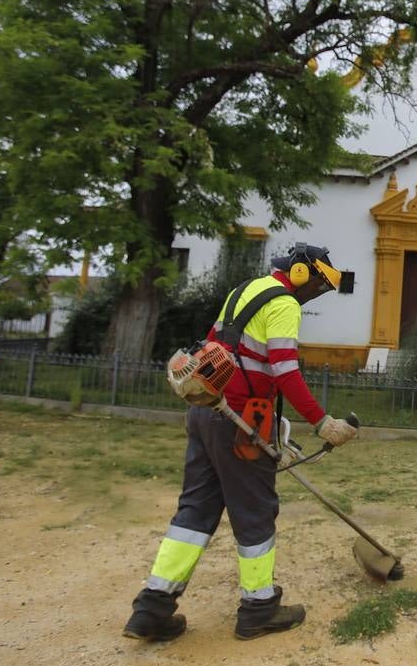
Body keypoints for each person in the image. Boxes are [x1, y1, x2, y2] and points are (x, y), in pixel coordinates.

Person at [124, 243, 358, 641]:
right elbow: (285, 370)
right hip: (238, 421)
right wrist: (321, 423)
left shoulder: (243, 290)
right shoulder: (284, 303)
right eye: (317, 282)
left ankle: (152, 608)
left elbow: (230, 354)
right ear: (300, 273)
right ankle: (259, 608)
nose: (315, 291)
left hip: (205, 411)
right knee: (255, 510)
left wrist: (272, 417)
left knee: (195, 510)